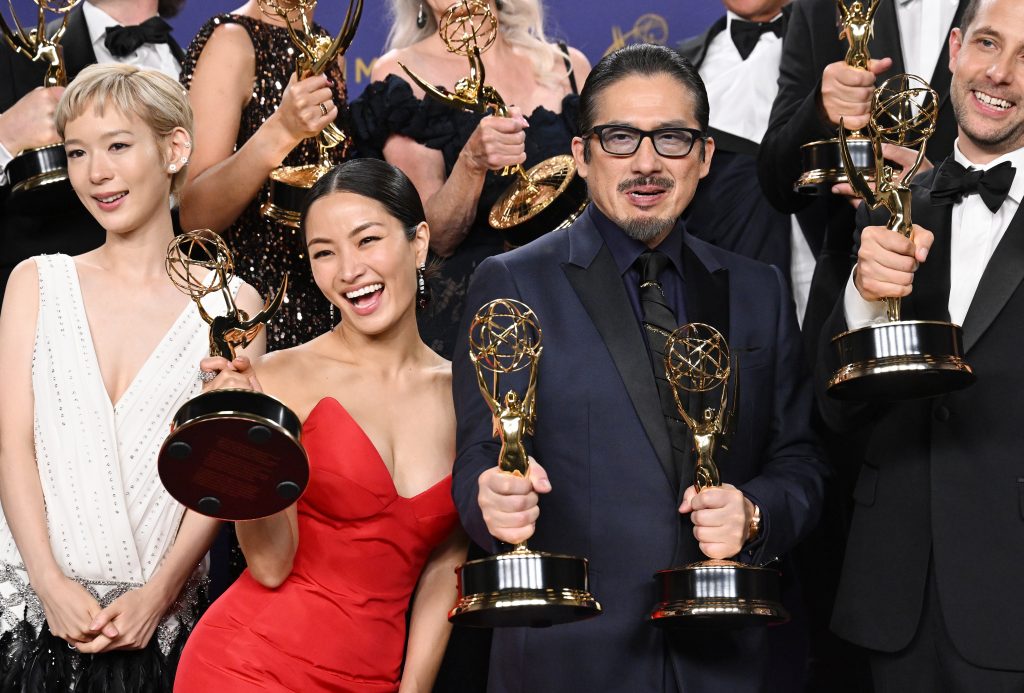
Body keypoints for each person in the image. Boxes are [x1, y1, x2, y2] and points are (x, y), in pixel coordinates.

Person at [452, 43, 827, 692]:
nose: (647, 163)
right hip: (566, 659)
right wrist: (490, 498)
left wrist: (755, 513)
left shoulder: (758, 288)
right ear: (580, 153)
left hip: (725, 664)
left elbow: (800, 461)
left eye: (673, 138)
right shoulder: (512, 280)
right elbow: (481, 453)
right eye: (621, 137)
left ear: (705, 155)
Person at [0, 62, 262, 690]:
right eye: (78, 152)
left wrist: (159, 596)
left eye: (118, 146)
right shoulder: (36, 282)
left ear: (174, 149)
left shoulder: (233, 304)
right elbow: (12, 446)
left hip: (162, 631)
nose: (97, 173)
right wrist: (50, 587)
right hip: (31, 624)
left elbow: (222, 472)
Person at [174, 158, 467, 692]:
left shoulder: (466, 392)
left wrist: (414, 688)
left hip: (375, 676)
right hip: (247, 667)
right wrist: (243, 443)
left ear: (418, 242)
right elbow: (269, 567)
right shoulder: (276, 378)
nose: (348, 270)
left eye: (367, 240)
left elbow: (448, 561)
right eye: (324, 253)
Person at [815, 0, 1024, 688]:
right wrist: (862, 297)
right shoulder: (891, 204)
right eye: (988, 43)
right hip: (891, 593)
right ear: (956, 48)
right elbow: (830, 410)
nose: (1001, 72)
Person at [351, 0, 590, 359]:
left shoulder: (569, 65)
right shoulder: (402, 74)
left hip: (582, 289)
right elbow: (438, 237)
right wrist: (472, 160)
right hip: (487, 315)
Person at [178, 0, 347, 351]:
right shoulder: (231, 40)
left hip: (327, 302)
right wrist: (282, 129)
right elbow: (195, 214)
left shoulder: (329, 47)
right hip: (252, 310)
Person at [0, 0, 187, 305]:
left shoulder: (207, 64)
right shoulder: (13, 55)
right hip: (48, 311)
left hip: (176, 305)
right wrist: (5, 136)